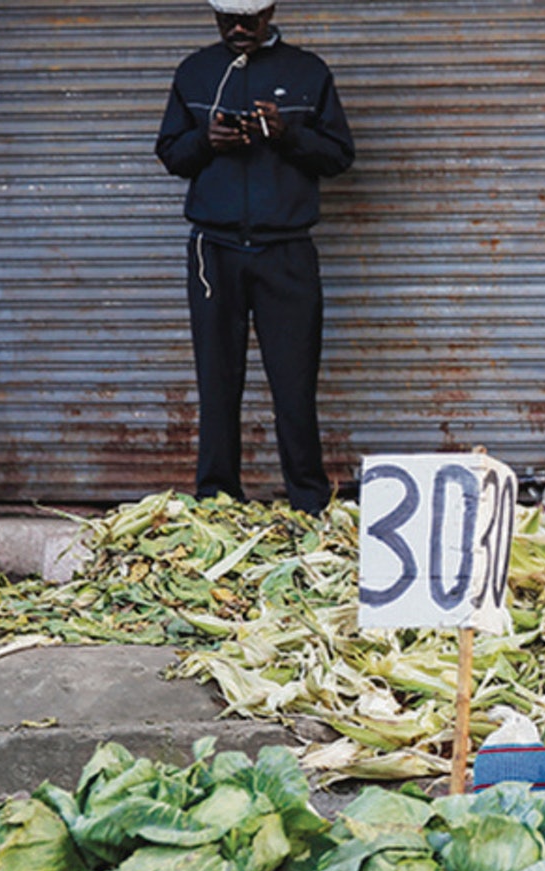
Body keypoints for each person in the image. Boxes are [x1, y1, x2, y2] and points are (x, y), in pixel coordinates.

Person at [155, 0, 354, 513]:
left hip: (285, 249)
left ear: (271, 13)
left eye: (251, 19)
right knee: (217, 380)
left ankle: (308, 501)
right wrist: (207, 140)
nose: (240, 29)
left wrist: (287, 135)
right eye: (228, 21)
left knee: (293, 382)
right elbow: (172, 154)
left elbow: (338, 156)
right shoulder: (196, 72)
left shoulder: (307, 72)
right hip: (213, 251)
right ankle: (217, 499)